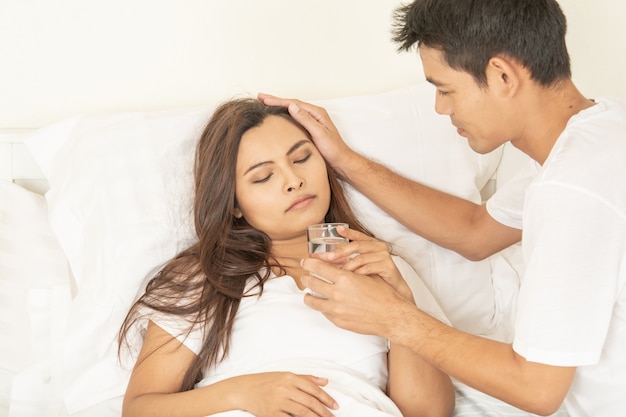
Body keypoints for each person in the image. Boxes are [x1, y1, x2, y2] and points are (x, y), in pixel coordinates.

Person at [257, 0, 626, 416]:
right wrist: (345, 160)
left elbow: (537, 389)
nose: (440, 108)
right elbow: (475, 231)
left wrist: (395, 319)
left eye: (446, 89)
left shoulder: (572, 187)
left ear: (502, 76)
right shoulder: (597, 135)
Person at [117, 98, 455, 417]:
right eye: (264, 176)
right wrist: (242, 393)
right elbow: (140, 409)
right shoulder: (205, 277)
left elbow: (426, 413)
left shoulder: (380, 267)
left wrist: (400, 306)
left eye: (302, 158)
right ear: (233, 204)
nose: (294, 181)